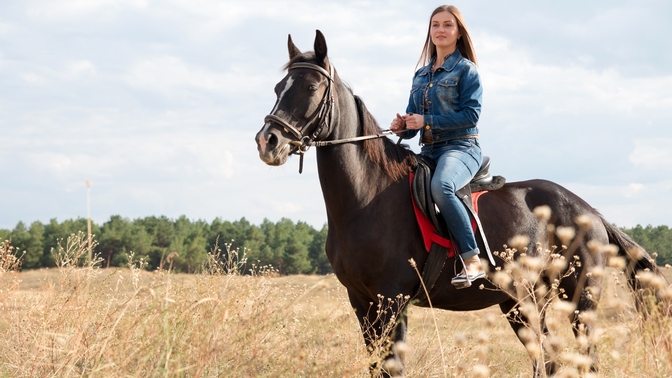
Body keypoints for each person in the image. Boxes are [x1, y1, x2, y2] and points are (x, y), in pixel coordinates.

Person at [391, 5, 484, 289]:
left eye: (447, 25)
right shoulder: (420, 75)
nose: (440, 30)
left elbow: (471, 116)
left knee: (442, 186)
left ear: (458, 33)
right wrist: (403, 126)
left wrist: (425, 120)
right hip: (428, 150)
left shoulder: (467, 70)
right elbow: (412, 122)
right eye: (435, 25)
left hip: (462, 148)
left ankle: (471, 260)